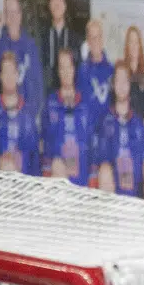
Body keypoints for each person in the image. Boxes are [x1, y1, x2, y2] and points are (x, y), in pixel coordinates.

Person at [42, 47, 97, 185]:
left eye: (69, 67)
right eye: (62, 67)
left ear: (74, 69)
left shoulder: (86, 103)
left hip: (82, 181)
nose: (66, 72)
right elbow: (45, 143)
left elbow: (92, 143)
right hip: (58, 182)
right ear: (58, 72)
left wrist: (93, 179)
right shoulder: (50, 103)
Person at [93, 60, 144, 197]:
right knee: (104, 170)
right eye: (118, 81)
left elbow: (142, 163)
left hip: (134, 192)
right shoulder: (105, 120)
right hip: (112, 191)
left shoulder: (138, 124)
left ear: (130, 84)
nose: (122, 86)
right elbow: (102, 158)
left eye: (125, 81)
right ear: (113, 85)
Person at [0, 0, 44, 119]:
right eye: (7, 12)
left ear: (20, 14)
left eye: (14, 12)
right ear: (4, 17)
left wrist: (30, 116)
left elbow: (37, 84)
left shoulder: (30, 46)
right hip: (3, 118)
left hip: (26, 118)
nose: (11, 16)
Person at [0, 50, 40, 175]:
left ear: (17, 75)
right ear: (0, 76)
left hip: (24, 185)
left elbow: (35, 159)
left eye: (12, 72)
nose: (9, 77)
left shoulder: (28, 113)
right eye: (5, 72)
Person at [41, 0, 74, 94]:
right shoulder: (41, 39)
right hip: (48, 102)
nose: (57, 3)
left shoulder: (76, 40)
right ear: (49, 4)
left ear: (65, 4)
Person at [77, 18, 114, 119]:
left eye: (98, 37)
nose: (95, 42)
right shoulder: (81, 71)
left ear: (102, 39)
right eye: (92, 38)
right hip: (87, 130)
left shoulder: (112, 70)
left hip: (107, 130)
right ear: (87, 41)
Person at [123, 25, 144, 129]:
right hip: (125, 127)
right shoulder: (122, 72)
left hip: (143, 129)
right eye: (131, 41)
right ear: (127, 45)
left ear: (140, 45)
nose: (133, 46)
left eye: (136, 42)